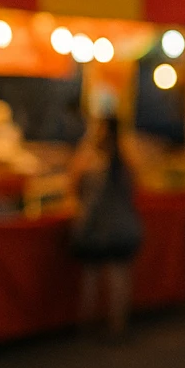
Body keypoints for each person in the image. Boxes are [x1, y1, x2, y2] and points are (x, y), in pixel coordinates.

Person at [68, 116, 143, 338]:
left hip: (94, 225)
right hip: (121, 225)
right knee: (118, 276)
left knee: (91, 275)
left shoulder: (89, 159)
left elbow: (73, 186)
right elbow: (134, 188)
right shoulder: (127, 158)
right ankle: (116, 325)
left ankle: (87, 323)